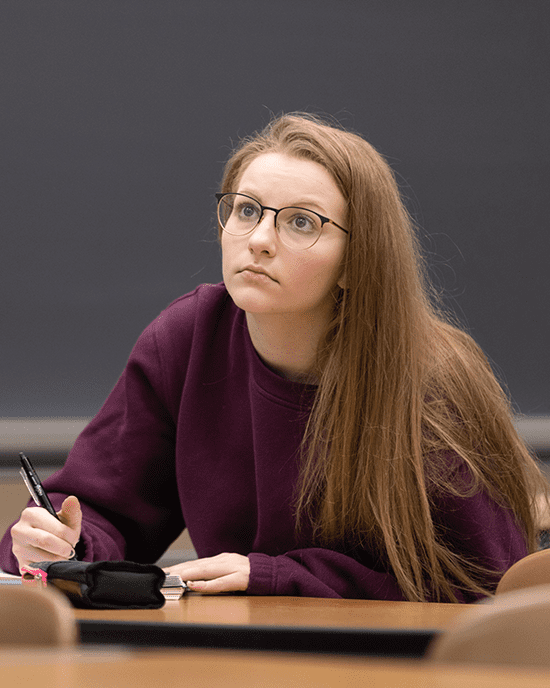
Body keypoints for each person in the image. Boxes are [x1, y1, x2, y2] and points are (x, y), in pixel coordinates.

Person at [1, 113, 547, 602]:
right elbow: (105, 510)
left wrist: (277, 575)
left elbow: (486, 583)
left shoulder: (431, 379)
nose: (259, 239)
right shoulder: (189, 340)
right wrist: (57, 545)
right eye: (246, 210)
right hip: (244, 650)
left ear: (358, 263)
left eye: (301, 222)